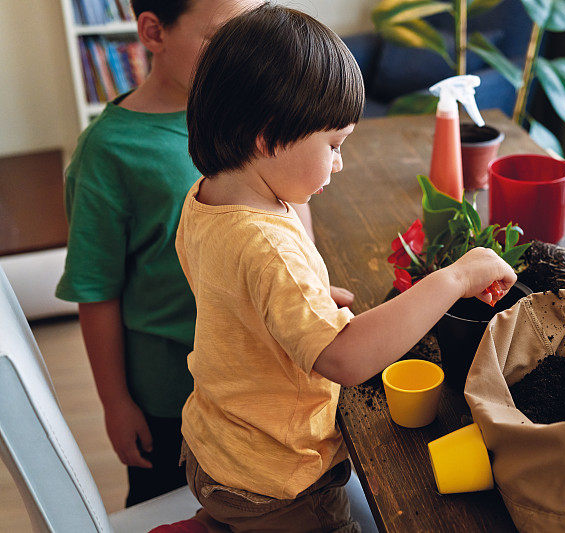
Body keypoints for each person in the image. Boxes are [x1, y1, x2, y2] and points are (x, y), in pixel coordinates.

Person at [166, 4, 516, 531]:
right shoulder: (269, 248)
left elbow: (230, 291)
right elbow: (347, 361)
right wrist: (455, 277)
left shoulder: (206, 199)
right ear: (267, 137)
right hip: (277, 484)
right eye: (333, 144)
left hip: (212, 446)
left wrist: (302, 301)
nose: (340, 161)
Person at [55, 0, 347, 507]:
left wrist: (308, 287)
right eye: (226, 35)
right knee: (176, 497)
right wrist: (115, 403)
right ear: (152, 32)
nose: (248, 52)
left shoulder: (264, 120)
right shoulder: (108, 153)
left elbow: (288, 204)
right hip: (174, 395)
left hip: (267, 386)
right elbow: (96, 291)